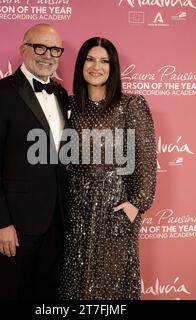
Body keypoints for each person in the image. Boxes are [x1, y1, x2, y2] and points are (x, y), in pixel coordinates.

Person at [0, 24, 68, 300]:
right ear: (23, 49)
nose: (47, 55)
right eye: (39, 47)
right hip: (15, 224)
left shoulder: (62, 95)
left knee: (48, 295)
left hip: (56, 220)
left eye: (54, 50)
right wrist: (0, 222)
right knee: (15, 293)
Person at [59, 37, 157, 300]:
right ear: (81, 64)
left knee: (112, 281)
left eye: (104, 61)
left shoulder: (130, 105)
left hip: (116, 205)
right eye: (90, 59)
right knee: (74, 281)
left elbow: (145, 157)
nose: (96, 66)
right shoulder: (68, 105)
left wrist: (137, 203)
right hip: (75, 205)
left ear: (113, 68)